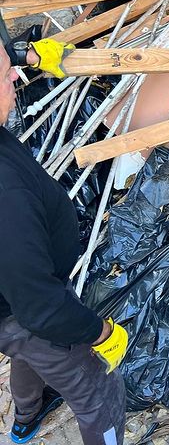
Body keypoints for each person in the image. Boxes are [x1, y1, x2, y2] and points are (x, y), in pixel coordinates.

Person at [0, 38, 128, 445]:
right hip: (25, 314)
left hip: (12, 313)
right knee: (100, 395)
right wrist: (100, 332)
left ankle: (26, 418)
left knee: (27, 353)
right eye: (6, 77)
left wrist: (23, 53)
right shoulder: (6, 200)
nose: (17, 80)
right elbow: (40, 310)